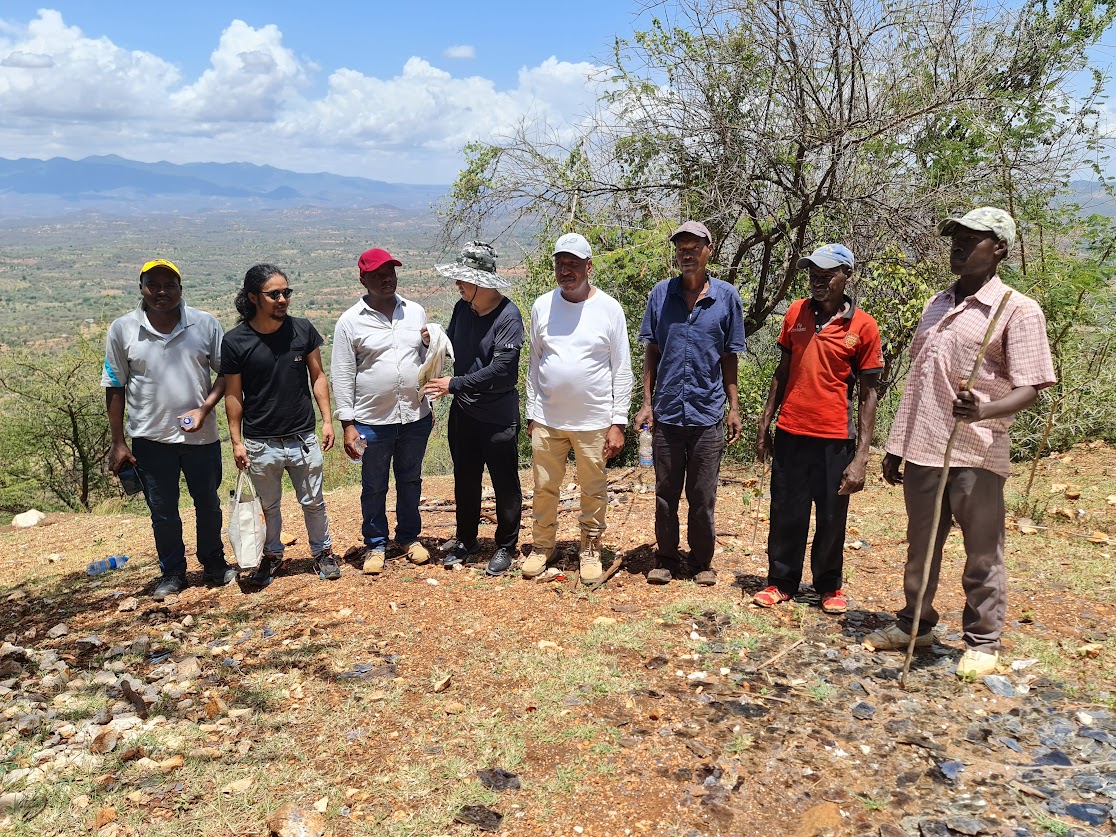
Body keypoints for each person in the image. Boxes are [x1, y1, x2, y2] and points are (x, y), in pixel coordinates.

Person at [864, 207, 1055, 678]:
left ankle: (983, 640)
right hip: (924, 447)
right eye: (957, 238)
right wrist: (896, 446)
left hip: (977, 449)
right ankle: (915, 625)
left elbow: (1031, 386)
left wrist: (984, 410)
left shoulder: (1016, 309)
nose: (960, 246)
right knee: (921, 545)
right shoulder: (938, 302)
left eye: (972, 239)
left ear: (1000, 249)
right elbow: (919, 380)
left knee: (982, 549)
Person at [752, 244, 884, 614]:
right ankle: (781, 582)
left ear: (848, 275)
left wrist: (861, 458)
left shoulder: (863, 326)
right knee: (786, 511)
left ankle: (828, 586)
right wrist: (765, 422)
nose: (818, 280)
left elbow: (868, 394)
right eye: (813, 273)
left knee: (831, 516)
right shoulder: (796, 312)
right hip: (791, 431)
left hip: (835, 438)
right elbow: (782, 371)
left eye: (827, 274)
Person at [103, 258, 236, 600]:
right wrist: (118, 442)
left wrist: (204, 409)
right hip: (149, 439)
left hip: (201, 438)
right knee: (162, 512)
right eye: (154, 285)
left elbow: (226, 373)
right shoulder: (123, 329)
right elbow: (115, 385)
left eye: (169, 285)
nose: (161, 292)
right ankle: (173, 572)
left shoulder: (205, 324)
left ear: (180, 288)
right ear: (141, 288)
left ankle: (214, 563)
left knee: (208, 504)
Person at [634, 221, 747, 586]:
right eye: (681, 248)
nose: (687, 254)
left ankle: (701, 562)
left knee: (702, 495)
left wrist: (733, 407)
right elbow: (652, 351)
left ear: (708, 251)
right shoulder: (660, 295)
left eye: (694, 247)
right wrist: (646, 403)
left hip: (708, 413)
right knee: (666, 493)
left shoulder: (726, 298)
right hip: (667, 413)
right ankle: (666, 558)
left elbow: (729, 356)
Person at [521, 233, 633, 583]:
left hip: (594, 420)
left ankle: (590, 549)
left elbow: (622, 368)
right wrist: (531, 413)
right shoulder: (542, 306)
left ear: (589, 267)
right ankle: (542, 546)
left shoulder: (609, 309)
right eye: (560, 263)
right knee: (544, 487)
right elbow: (534, 363)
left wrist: (618, 422)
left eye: (573, 263)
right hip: (548, 419)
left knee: (593, 489)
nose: (565, 270)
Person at [221, 263, 341, 586]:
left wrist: (327, 420)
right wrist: (236, 441)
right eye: (274, 294)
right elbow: (233, 395)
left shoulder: (302, 330)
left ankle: (323, 553)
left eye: (286, 292)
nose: (283, 299)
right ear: (253, 297)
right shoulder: (235, 341)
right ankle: (272, 556)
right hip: (261, 442)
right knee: (268, 506)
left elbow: (318, 376)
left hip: (303, 437)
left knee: (314, 501)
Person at [423, 242, 523, 575]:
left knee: (505, 482)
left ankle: (506, 545)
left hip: (498, 415)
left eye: (463, 279)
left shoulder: (508, 316)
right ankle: (466, 540)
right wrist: (433, 340)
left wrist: (453, 384)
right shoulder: (462, 309)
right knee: (465, 479)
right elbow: (453, 345)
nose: (458, 284)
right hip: (464, 413)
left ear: (481, 282)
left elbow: (502, 368)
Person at [332, 249, 434, 574]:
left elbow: (426, 360)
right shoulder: (350, 321)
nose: (387, 279)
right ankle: (375, 544)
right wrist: (348, 424)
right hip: (372, 421)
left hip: (415, 417)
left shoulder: (415, 312)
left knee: (410, 480)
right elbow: (342, 374)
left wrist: (431, 345)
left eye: (390, 272)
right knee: (374, 485)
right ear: (363, 280)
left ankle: (409, 538)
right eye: (378, 274)